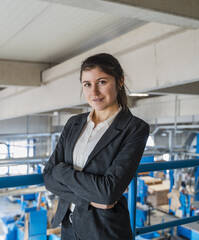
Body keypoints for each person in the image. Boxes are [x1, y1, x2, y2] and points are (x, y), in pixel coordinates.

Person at [43, 53, 150, 240]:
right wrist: (91, 199)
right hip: (69, 226)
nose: (94, 92)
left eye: (102, 82)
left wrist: (62, 171)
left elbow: (108, 192)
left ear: (120, 81)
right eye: (87, 84)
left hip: (104, 231)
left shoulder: (134, 129)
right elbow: (49, 177)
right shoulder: (73, 124)